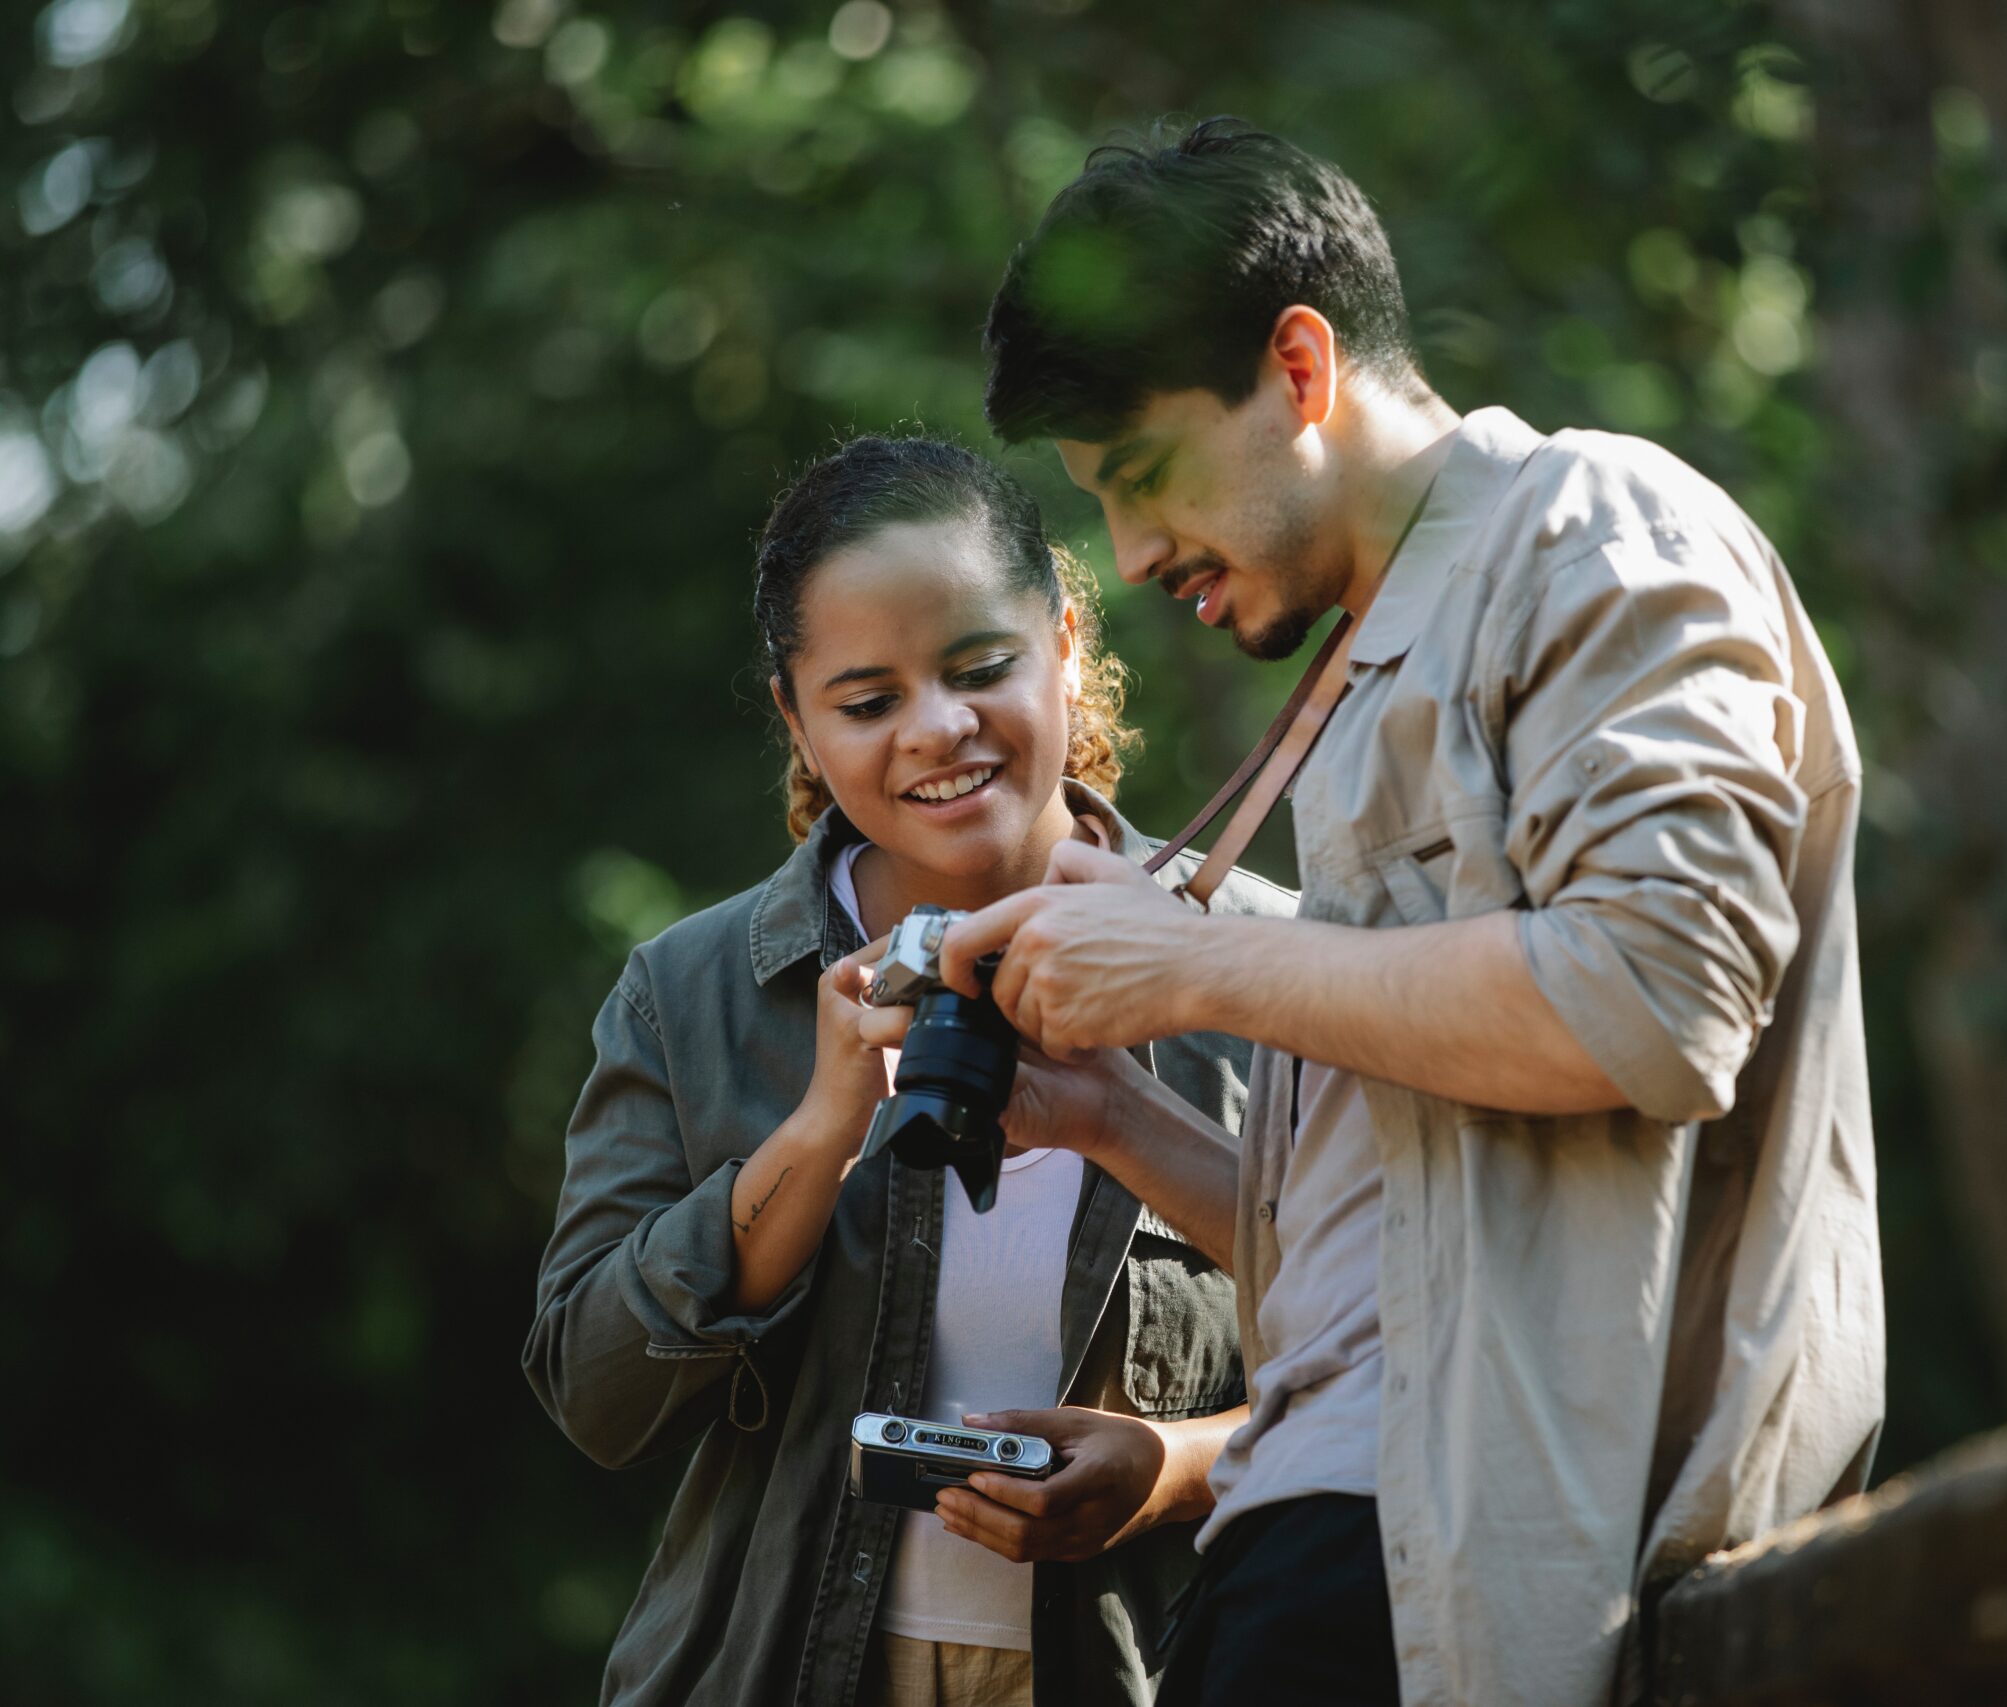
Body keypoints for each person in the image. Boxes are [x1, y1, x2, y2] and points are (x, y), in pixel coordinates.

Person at [928, 120, 1887, 1707]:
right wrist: (1107, 1110)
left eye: (1149, 477)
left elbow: (1657, 996)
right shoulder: (1366, 667)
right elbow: (1407, 1245)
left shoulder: (1595, 525)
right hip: (1322, 1534)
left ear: (1301, 370)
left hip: (1459, 1546)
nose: (1135, 550)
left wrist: (1200, 960)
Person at [521, 435, 1293, 1707]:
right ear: (797, 718)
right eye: (868, 701)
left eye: (980, 668)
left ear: (1061, 641)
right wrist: (821, 1131)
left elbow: (1416, 1350)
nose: (938, 731)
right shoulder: (690, 994)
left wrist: (1176, 1467)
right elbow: (599, 1400)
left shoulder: (1266, 966)